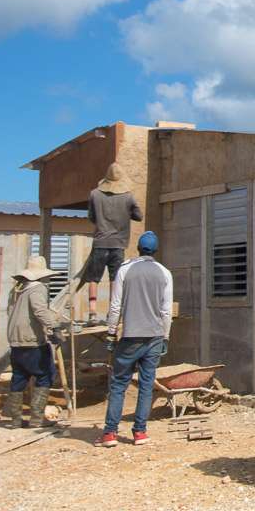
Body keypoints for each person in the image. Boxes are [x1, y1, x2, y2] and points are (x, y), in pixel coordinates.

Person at [96, 231, 173, 447]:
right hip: (155, 336)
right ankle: (140, 432)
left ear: (138, 249)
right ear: (156, 250)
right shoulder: (165, 273)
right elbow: (166, 311)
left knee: (119, 384)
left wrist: (111, 332)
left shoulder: (124, 270)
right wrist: (165, 337)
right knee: (147, 385)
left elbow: (115, 305)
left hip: (130, 337)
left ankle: (110, 433)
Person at [4, 255, 62, 428]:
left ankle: (15, 420)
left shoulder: (17, 289)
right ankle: (37, 419)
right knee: (45, 375)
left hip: (16, 340)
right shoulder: (37, 289)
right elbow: (40, 311)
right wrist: (54, 327)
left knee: (19, 377)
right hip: (32, 340)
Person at [85, 163, 143, 323]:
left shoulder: (94, 194)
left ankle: (92, 313)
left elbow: (91, 217)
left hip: (100, 242)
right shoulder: (128, 197)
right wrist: (126, 212)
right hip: (119, 244)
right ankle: (112, 313)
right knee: (115, 279)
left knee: (93, 278)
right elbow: (139, 216)